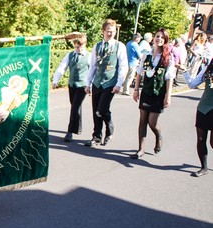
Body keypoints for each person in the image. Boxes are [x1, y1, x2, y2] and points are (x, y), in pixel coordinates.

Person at [131, 28, 176, 159]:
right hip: (146, 91)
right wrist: (136, 90)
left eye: (162, 38)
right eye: (157, 36)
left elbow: (169, 77)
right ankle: (141, 149)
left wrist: (168, 95)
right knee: (142, 121)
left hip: (158, 94)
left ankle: (158, 136)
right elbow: (139, 73)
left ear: (165, 40)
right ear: (153, 38)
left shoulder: (168, 57)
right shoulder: (147, 55)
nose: (159, 39)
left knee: (152, 123)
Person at [85, 19, 128, 147]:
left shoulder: (119, 46)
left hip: (110, 82)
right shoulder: (97, 46)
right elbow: (92, 65)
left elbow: (123, 66)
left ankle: (109, 131)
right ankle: (96, 136)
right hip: (97, 82)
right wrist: (88, 83)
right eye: (108, 31)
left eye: (113, 31)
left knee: (102, 109)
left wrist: (119, 83)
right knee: (95, 111)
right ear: (103, 31)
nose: (111, 34)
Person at [52, 34, 90, 142]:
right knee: (75, 106)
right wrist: (55, 80)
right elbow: (62, 67)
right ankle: (78, 128)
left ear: (84, 45)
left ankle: (70, 132)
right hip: (72, 85)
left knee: (74, 107)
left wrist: (90, 85)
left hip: (83, 86)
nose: (78, 49)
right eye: (76, 47)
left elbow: (93, 71)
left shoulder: (89, 56)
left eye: (80, 47)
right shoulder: (70, 55)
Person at [177, 61, 213, 177]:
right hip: (204, 108)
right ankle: (204, 167)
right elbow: (192, 84)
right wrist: (184, 70)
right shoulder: (209, 67)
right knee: (201, 139)